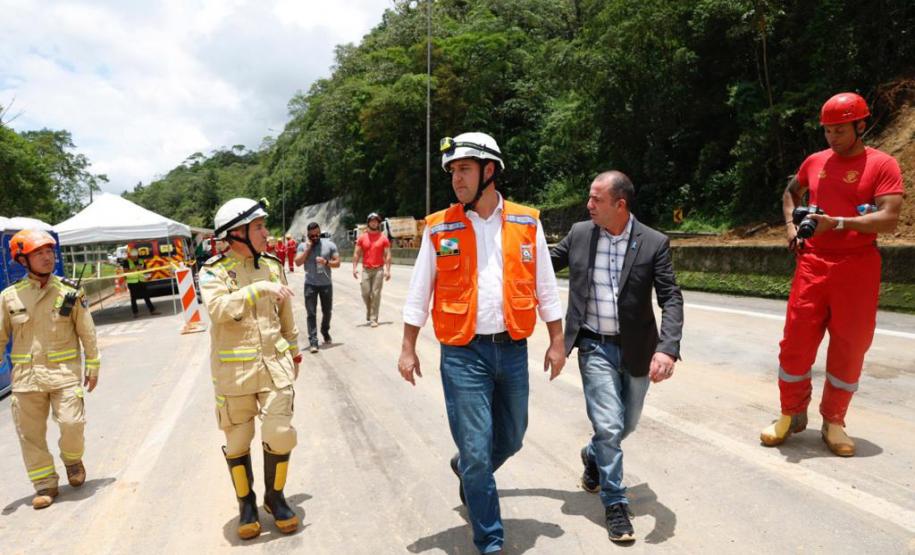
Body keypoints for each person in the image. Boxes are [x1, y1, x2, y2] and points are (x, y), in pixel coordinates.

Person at [398, 132, 566, 554]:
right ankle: (490, 540)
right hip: (462, 352)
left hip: (511, 348)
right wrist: (407, 345)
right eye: (453, 171)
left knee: (511, 437)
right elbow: (421, 289)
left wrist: (557, 339)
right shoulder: (440, 227)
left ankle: (467, 470)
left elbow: (545, 283)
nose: (456, 178)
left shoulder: (527, 222)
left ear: (489, 171)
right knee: (476, 448)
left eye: (465, 169)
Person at [760, 92, 905, 456]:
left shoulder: (882, 165)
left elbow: (889, 218)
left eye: (840, 130)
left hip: (858, 266)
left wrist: (838, 223)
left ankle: (834, 421)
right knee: (795, 342)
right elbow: (790, 194)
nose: (832, 138)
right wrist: (791, 230)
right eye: (827, 131)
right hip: (813, 263)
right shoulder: (815, 161)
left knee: (850, 345)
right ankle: (790, 414)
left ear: (861, 125)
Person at [550, 171, 683, 543]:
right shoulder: (580, 234)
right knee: (609, 426)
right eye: (589, 198)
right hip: (593, 345)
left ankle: (593, 455)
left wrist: (667, 348)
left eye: (596, 199)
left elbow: (670, 297)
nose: (588, 205)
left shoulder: (654, 242)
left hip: (638, 348)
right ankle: (615, 503)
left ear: (619, 205)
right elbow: (542, 264)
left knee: (626, 425)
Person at [199, 198, 303, 539]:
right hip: (235, 374)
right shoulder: (212, 271)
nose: (265, 232)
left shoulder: (273, 265)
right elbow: (216, 309)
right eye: (258, 227)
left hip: (274, 366)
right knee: (238, 442)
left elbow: (285, 311)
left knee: (281, 433)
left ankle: (275, 497)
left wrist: (295, 349)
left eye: (263, 225)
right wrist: (256, 290)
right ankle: (246, 503)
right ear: (237, 234)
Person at [0, 229, 100, 509]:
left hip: (64, 374)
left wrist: (92, 364)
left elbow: (87, 331)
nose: (47, 258)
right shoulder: (9, 297)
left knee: (72, 423)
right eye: (39, 253)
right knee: (30, 435)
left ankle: (72, 459)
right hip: (25, 380)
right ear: (22, 260)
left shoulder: (70, 290)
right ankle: (44, 484)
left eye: (49, 252)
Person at [295, 222, 341, 353]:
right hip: (310, 285)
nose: (315, 238)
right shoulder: (303, 246)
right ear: (308, 235)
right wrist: (308, 249)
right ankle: (313, 341)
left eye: (317, 235)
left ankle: (325, 330)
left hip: (326, 284)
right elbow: (297, 262)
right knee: (311, 313)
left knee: (327, 311)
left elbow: (338, 263)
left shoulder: (329, 245)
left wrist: (326, 262)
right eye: (312, 236)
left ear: (320, 233)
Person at [352, 212, 391, 327]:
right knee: (365, 293)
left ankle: (374, 318)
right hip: (366, 270)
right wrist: (354, 268)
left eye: (376, 221)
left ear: (378, 223)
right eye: (372, 221)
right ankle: (369, 312)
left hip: (379, 269)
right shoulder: (362, 238)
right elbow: (356, 254)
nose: (374, 223)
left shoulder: (383, 238)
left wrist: (388, 270)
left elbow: (388, 255)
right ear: (368, 222)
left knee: (376, 293)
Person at [123, 248, 159, 318]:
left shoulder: (141, 261)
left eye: (136, 256)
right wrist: (135, 268)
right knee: (133, 298)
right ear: (130, 256)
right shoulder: (126, 262)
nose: (135, 258)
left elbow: (145, 270)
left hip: (141, 281)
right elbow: (125, 272)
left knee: (146, 296)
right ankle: (135, 313)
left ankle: (152, 310)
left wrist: (141, 269)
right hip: (132, 282)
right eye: (133, 256)